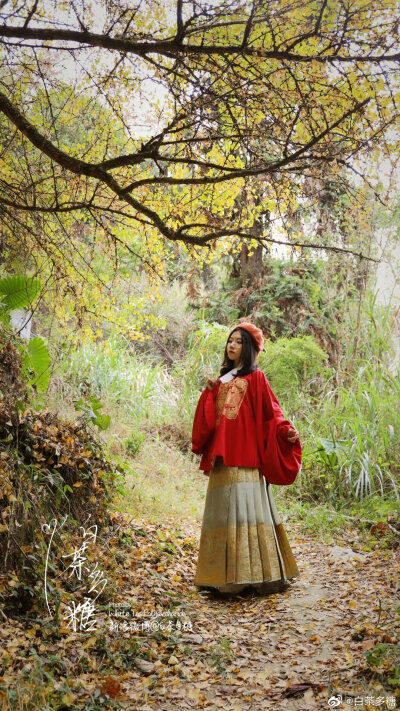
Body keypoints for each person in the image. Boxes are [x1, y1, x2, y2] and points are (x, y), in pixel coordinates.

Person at [191, 322, 302, 595]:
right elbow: (210, 421)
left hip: (246, 458)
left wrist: (285, 430)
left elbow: (271, 413)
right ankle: (219, 579)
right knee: (221, 516)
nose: (232, 345)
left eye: (239, 342)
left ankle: (252, 578)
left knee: (245, 514)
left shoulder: (257, 379)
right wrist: (208, 393)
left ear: (249, 348)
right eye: (230, 340)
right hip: (222, 458)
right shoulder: (222, 380)